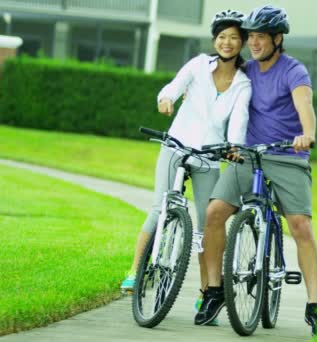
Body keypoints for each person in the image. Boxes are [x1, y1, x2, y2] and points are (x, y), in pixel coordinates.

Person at [194, 5, 317, 335]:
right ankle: (213, 292)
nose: (253, 43)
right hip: (248, 156)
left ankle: (313, 306)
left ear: (277, 39)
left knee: (300, 226)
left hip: (287, 157)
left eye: (260, 37)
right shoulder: (245, 71)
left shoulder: (294, 71)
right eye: (250, 37)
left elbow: (304, 105)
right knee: (213, 213)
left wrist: (307, 135)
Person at [120, 9, 251, 326]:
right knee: (160, 207)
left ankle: (207, 292)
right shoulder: (197, 65)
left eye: (234, 37)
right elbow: (172, 88)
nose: (227, 42)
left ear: (242, 42)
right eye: (222, 37)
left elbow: (238, 123)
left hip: (209, 156)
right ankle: (136, 270)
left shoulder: (243, 84)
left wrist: (233, 147)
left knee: (207, 225)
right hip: (176, 146)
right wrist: (165, 99)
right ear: (214, 40)